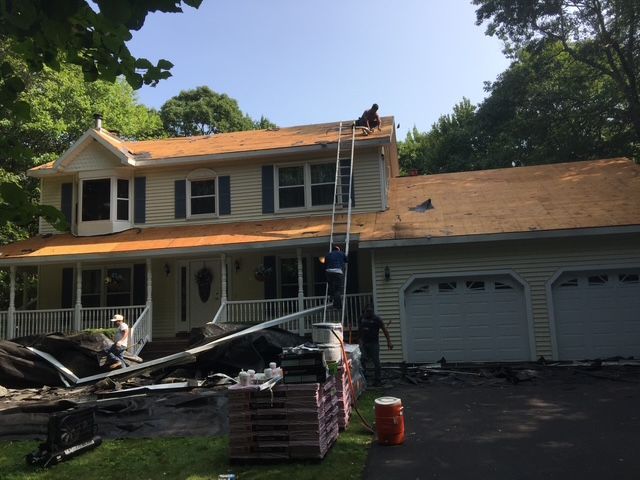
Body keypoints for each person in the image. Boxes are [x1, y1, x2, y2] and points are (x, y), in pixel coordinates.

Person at [358, 305, 393, 386]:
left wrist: (389, 342)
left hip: (374, 343)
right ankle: (364, 379)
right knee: (362, 360)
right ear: (365, 311)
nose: (368, 314)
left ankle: (378, 380)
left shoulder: (377, 319)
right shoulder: (361, 318)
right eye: (367, 312)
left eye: (370, 312)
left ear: (372, 312)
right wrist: (359, 341)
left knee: (376, 362)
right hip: (363, 343)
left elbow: (385, 330)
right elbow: (359, 331)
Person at [325, 245, 348, 309]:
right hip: (337, 272)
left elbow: (325, 263)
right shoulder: (341, 253)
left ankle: (331, 298)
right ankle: (337, 306)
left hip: (328, 273)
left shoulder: (328, 254)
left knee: (332, 288)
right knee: (337, 290)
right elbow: (346, 260)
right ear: (338, 249)